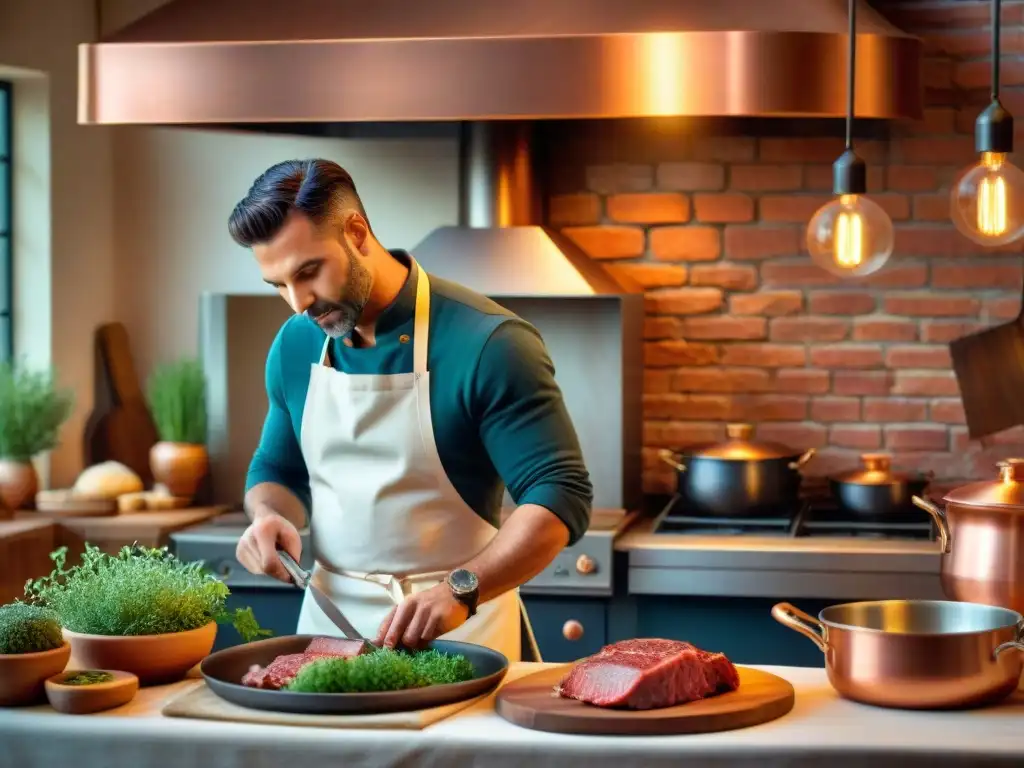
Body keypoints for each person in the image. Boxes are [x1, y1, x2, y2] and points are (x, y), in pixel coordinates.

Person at [227, 158, 593, 661]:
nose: (298, 303)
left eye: (309, 272)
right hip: (330, 632)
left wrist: (462, 590)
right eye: (279, 285)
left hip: (462, 631)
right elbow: (277, 470)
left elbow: (560, 495)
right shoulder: (295, 344)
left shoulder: (488, 343)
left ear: (356, 232)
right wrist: (269, 515)